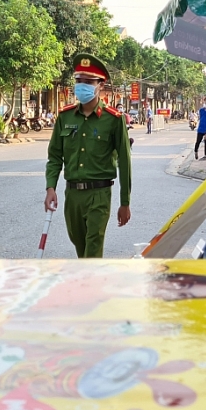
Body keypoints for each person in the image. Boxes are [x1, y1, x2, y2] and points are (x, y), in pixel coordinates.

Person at [44, 53, 132, 259]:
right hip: (72, 195)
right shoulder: (65, 117)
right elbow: (55, 156)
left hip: (99, 194)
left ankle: (89, 288)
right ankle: (91, 283)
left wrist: (125, 202)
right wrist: (50, 188)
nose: (82, 86)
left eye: (88, 81)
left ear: (100, 85)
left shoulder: (113, 119)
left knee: (92, 250)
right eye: (78, 81)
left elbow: (125, 162)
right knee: (79, 245)